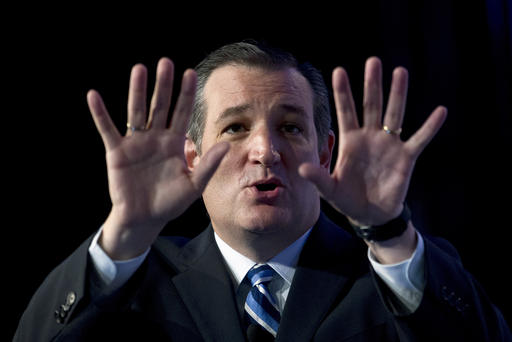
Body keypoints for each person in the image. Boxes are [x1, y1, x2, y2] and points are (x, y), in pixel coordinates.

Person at [14, 42, 511, 341]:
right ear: (191, 159)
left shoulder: (394, 272)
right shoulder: (135, 285)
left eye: (291, 128)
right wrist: (124, 234)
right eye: (234, 128)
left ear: (324, 154)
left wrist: (388, 231)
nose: (265, 151)